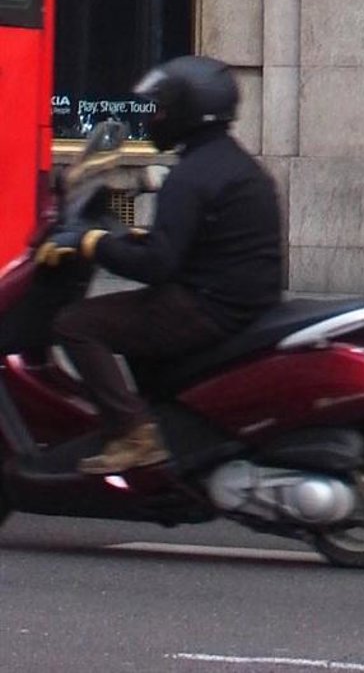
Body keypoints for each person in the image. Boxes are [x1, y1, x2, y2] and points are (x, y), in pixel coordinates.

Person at [46, 54, 283, 474]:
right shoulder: (230, 164)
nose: (152, 118)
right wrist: (129, 237)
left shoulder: (190, 176)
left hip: (208, 308)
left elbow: (157, 265)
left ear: (186, 112)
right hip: (238, 300)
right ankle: (166, 420)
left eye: (159, 110)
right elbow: (193, 242)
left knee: (76, 324)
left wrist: (92, 242)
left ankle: (136, 435)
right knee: (136, 324)